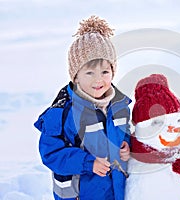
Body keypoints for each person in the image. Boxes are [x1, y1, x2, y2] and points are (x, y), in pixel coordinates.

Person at [34, 15, 131, 200]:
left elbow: (123, 134)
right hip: (82, 195)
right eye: (89, 73)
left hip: (116, 192)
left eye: (105, 71)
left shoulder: (121, 106)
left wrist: (127, 146)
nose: (98, 79)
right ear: (76, 76)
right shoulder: (62, 112)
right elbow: (51, 153)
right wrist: (89, 162)